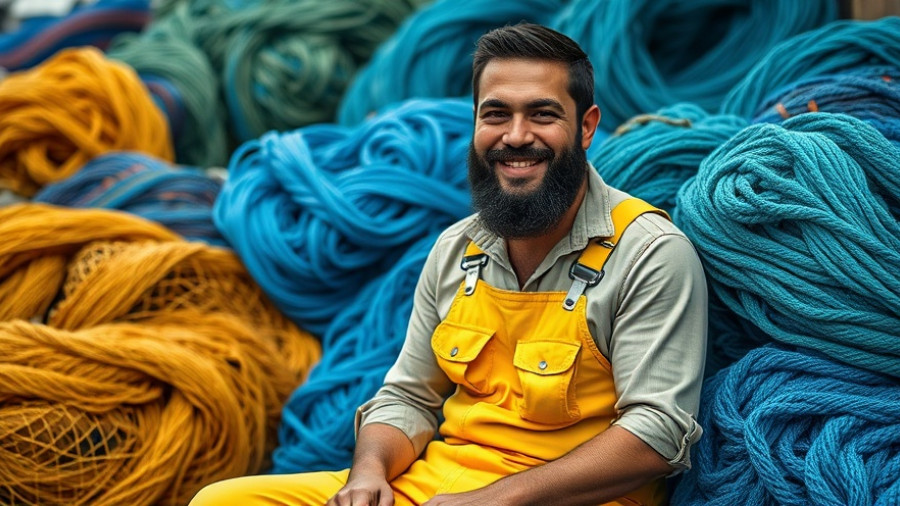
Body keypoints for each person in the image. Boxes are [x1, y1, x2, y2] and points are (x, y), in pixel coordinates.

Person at [191, 23, 707, 506]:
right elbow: (407, 397)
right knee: (222, 499)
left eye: (543, 115)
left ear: (587, 127)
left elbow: (656, 435)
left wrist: (493, 500)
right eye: (496, 114)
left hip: (572, 498)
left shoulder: (650, 252)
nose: (516, 135)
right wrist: (368, 474)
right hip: (441, 486)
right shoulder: (457, 249)